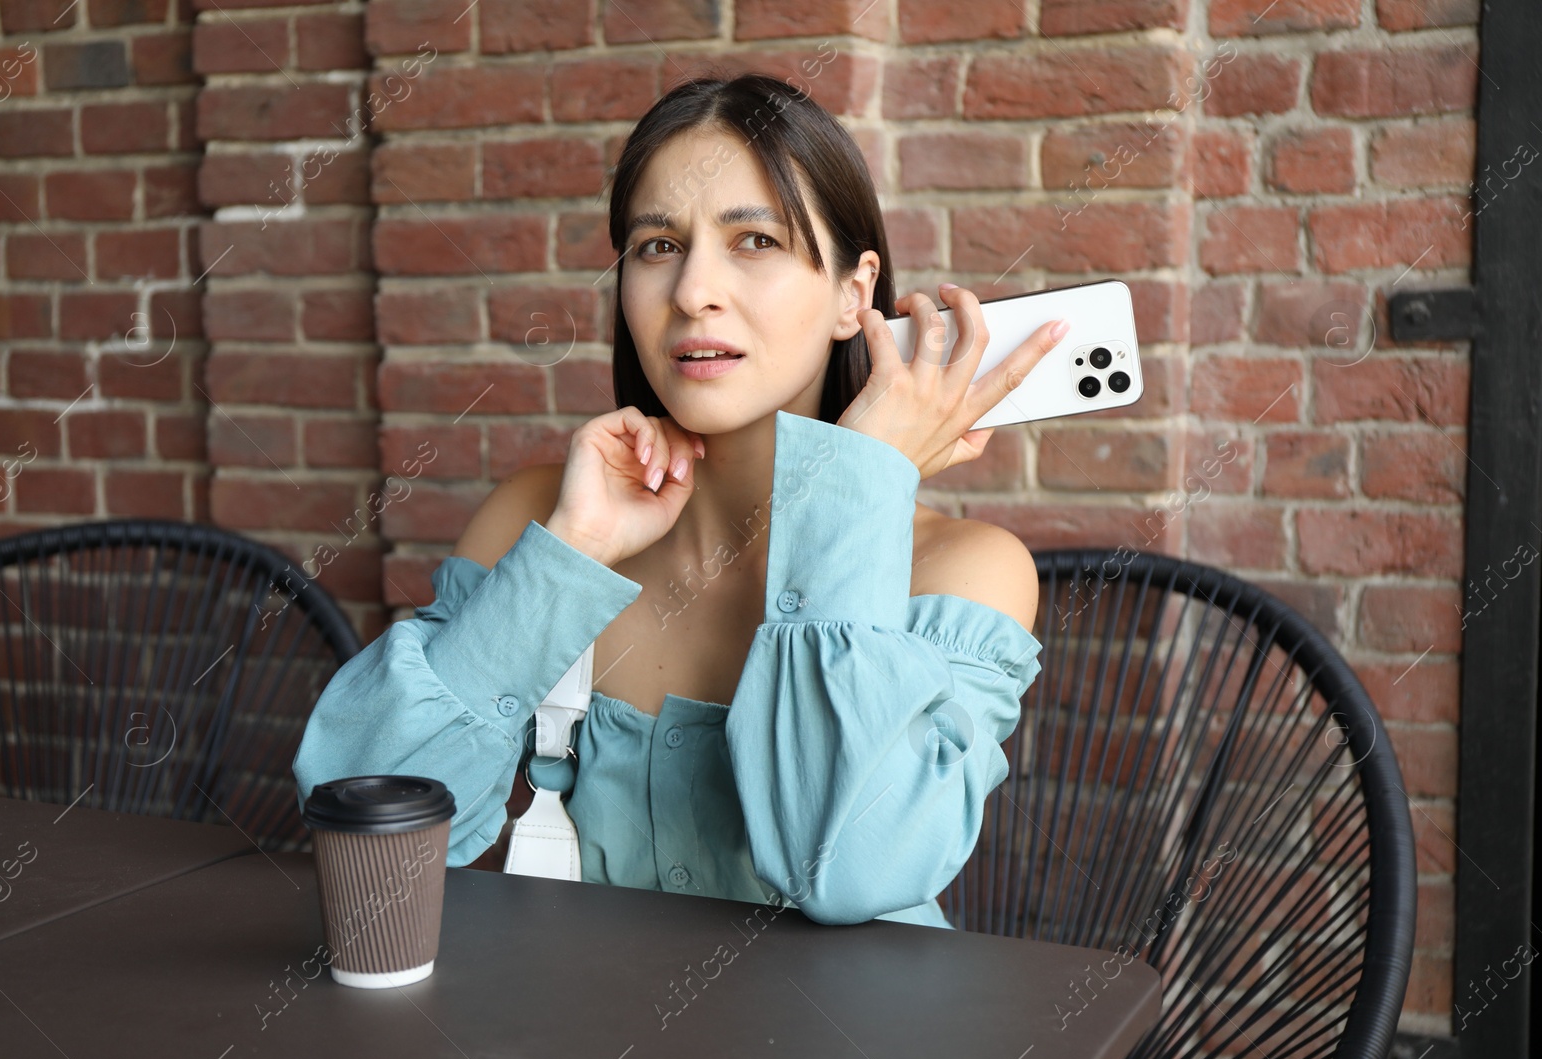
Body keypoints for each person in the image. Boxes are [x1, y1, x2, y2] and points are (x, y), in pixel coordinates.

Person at [293, 72, 1061, 928]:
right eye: (658, 245)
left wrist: (861, 487)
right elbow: (355, 808)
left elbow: (848, 871)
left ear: (855, 293)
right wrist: (570, 555)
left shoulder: (967, 569)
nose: (693, 290)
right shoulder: (544, 515)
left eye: (756, 241)